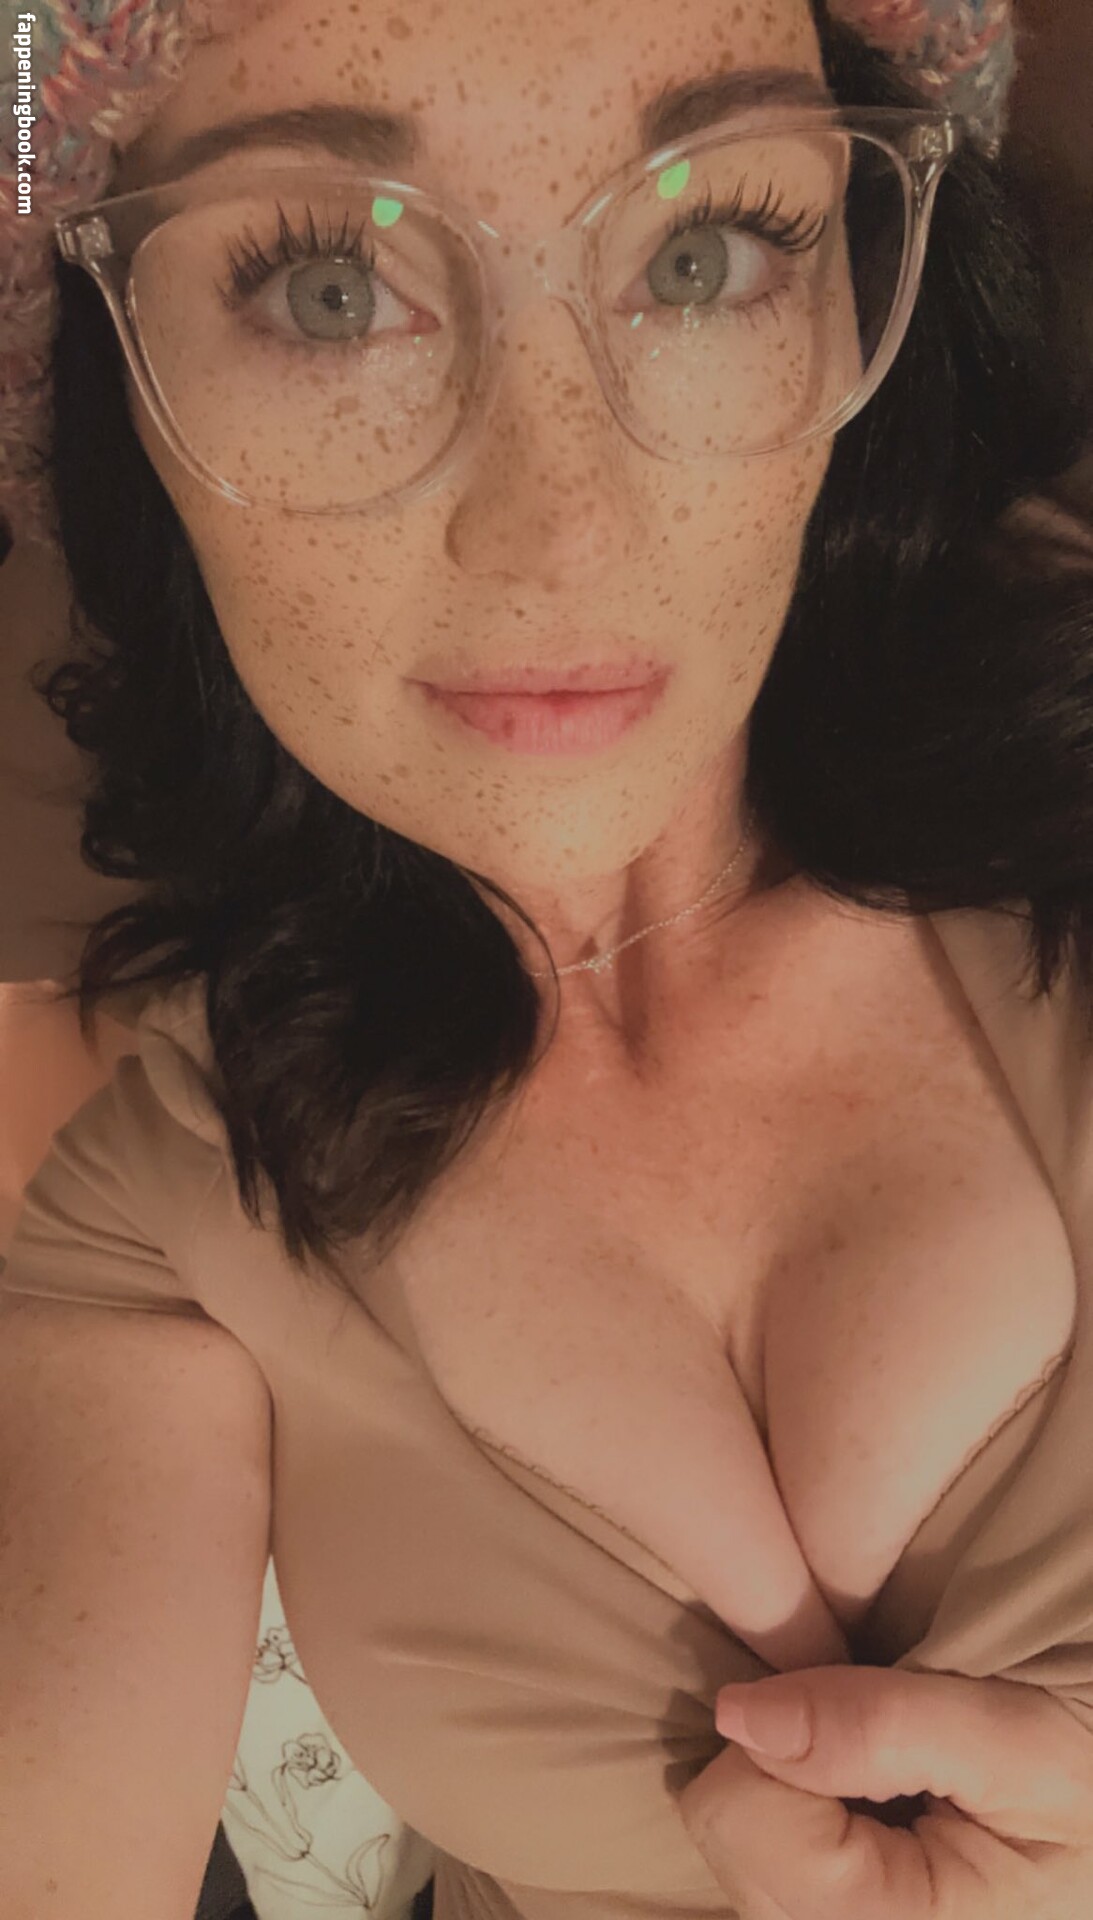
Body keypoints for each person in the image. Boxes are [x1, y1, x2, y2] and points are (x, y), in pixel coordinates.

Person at [2, 1, 1093, 1917]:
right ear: (118, 382)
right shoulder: (158, 1201)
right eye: (329, 291)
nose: (559, 534)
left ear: (861, 281)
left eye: (705, 254)